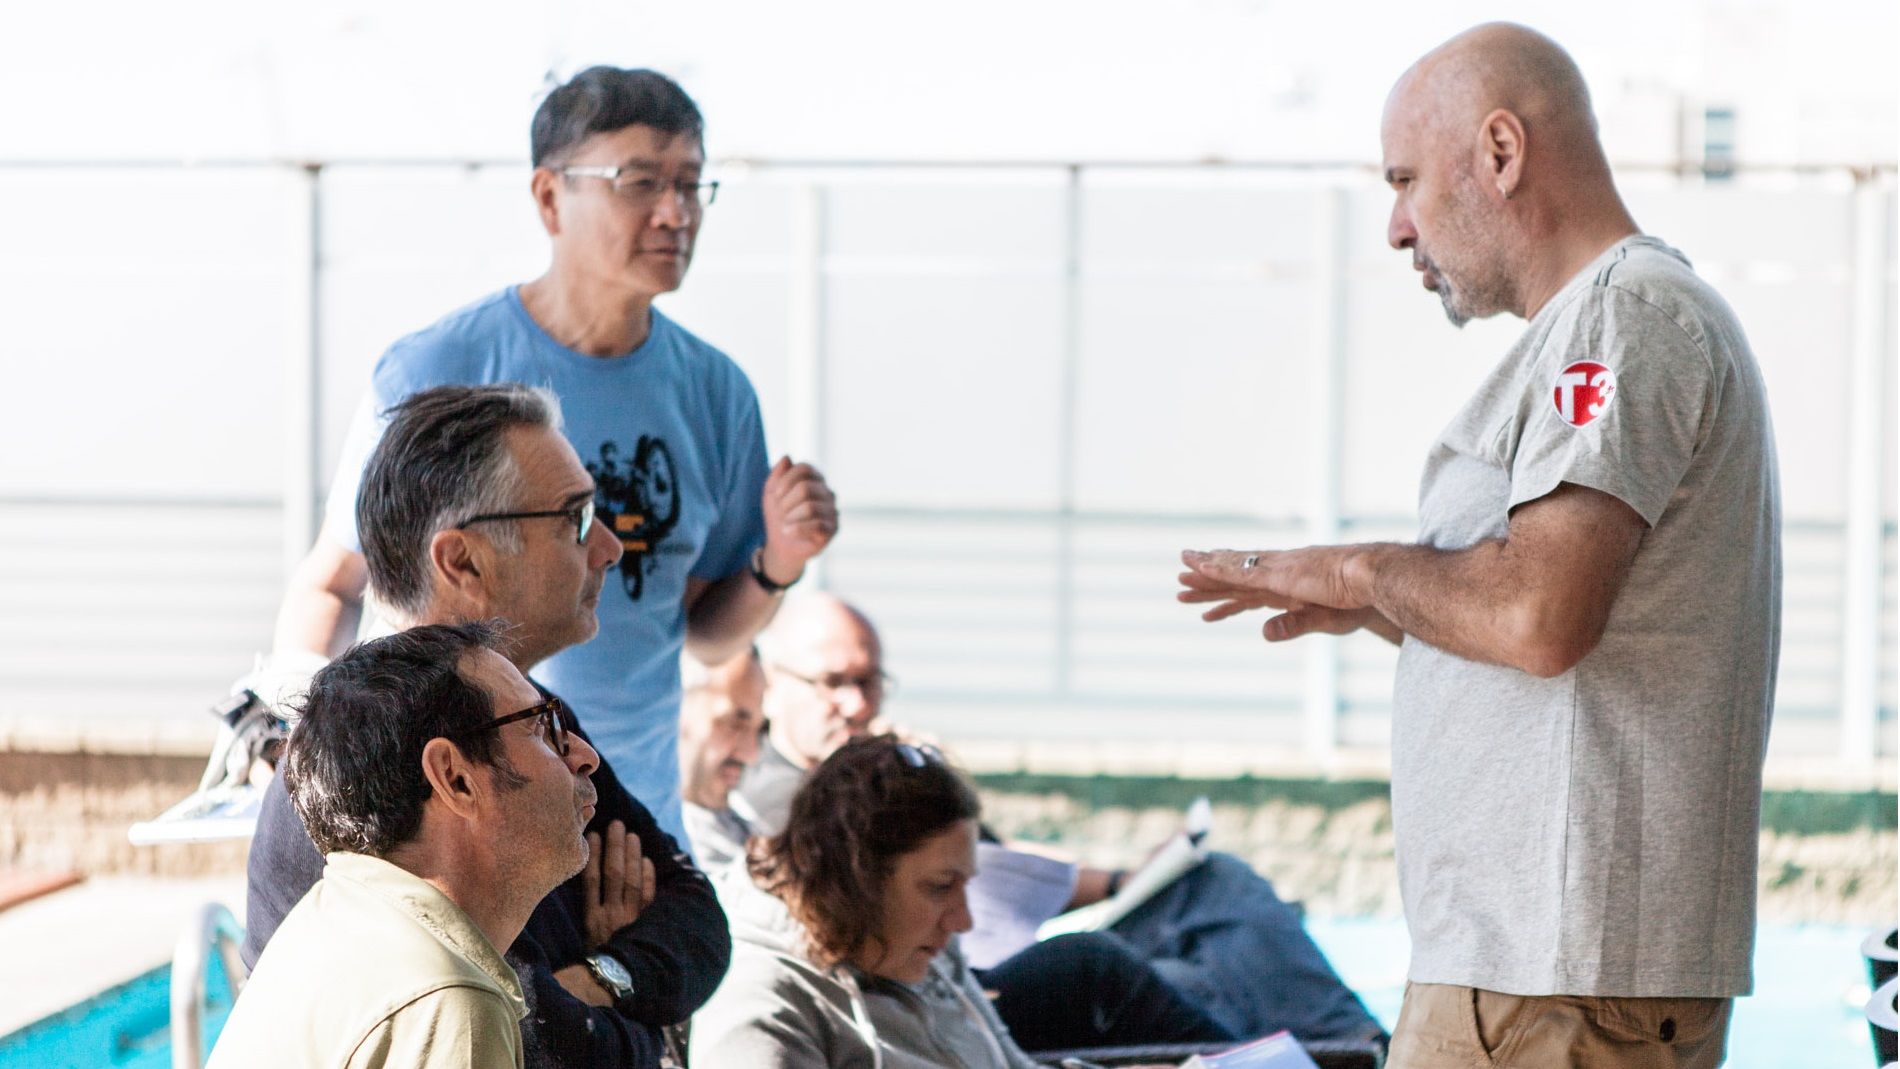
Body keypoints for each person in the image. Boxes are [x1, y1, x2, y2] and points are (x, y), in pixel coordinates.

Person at [1179, 23, 1779, 1069]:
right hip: (1547, 975)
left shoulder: (1622, 319)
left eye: (1406, 180)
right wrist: (1388, 606)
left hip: (1550, 986)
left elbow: (1536, 616)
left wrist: (1368, 569)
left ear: (1500, 152)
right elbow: (1562, 632)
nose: (1396, 228)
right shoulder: (1609, 322)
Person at [265, 66, 837, 848]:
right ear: (548, 198)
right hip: (450, 837)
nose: (675, 212)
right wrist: (286, 746)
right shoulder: (437, 366)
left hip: (628, 835)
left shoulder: (717, 392)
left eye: (692, 184)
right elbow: (334, 582)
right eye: (640, 182)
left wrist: (777, 561)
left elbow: (703, 632)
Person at [244, 384, 729, 1068]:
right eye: (576, 518)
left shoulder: (531, 721)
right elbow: (524, 1040)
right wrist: (649, 1022)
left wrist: (604, 975)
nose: (612, 548)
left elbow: (700, 920)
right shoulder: (354, 772)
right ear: (463, 560)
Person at [732, 594, 1383, 1047]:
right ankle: (1328, 1048)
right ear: (773, 683)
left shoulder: (894, 764)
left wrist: (1130, 875)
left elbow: (996, 862)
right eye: (834, 681)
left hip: (995, 936)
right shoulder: (776, 799)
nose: (855, 702)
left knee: (1214, 889)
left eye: (871, 682)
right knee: (1111, 964)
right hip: (958, 968)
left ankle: (1356, 1043)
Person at [691, 735, 1229, 1067]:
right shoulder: (761, 1009)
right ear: (855, 880)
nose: (963, 920)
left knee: (1225, 885)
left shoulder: (911, 946)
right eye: (940, 887)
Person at [211, 623, 594, 1068]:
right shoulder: (448, 1002)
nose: (585, 754)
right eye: (539, 727)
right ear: (455, 778)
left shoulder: (338, 914)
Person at [678, 646, 767, 873]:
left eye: (761, 730)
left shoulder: (758, 827)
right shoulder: (636, 831)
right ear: (677, 707)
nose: (751, 752)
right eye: (735, 722)